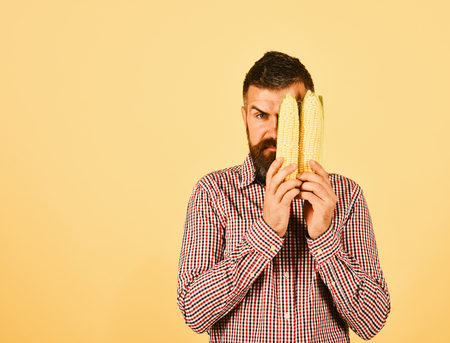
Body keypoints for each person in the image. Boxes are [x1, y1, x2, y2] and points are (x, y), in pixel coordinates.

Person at [177, 51, 390, 342]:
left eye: (291, 115)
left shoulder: (346, 195)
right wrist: (266, 232)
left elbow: (372, 321)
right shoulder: (213, 192)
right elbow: (194, 312)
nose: (275, 131)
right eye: (260, 114)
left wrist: (324, 237)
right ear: (245, 118)